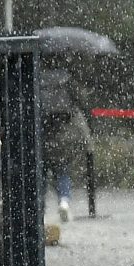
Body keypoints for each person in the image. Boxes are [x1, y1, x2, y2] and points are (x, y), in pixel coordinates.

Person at [40, 66, 92, 222]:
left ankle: (39, 209)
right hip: (62, 134)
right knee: (62, 171)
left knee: (40, 175)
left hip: (42, 134)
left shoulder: (37, 77)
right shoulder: (65, 78)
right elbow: (79, 103)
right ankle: (64, 200)